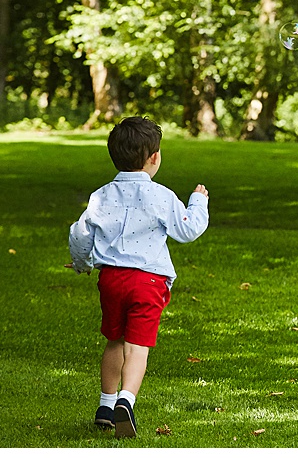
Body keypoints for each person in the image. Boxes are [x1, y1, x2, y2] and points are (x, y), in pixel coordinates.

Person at [67, 116, 210, 436]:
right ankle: (126, 402)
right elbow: (187, 229)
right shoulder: (161, 196)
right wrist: (198, 202)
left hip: (112, 281)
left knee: (114, 339)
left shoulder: (100, 196)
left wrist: (82, 263)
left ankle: (105, 404)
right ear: (154, 157)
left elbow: (80, 234)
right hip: (148, 282)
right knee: (137, 346)